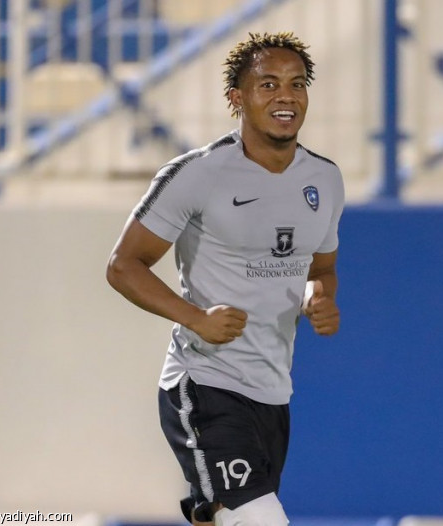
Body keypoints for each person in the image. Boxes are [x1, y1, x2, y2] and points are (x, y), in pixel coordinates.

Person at [106, 32, 344, 526]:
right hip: (205, 383)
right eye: (268, 84)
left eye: (297, 84)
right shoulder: (197, 173)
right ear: (237, 98)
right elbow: (124, 265)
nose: (285, 96)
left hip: (273, 392)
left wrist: (318, 297)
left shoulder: (325, 179)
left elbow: (320, 268)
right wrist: (196, 319)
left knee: (222, 518)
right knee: (260, 519)